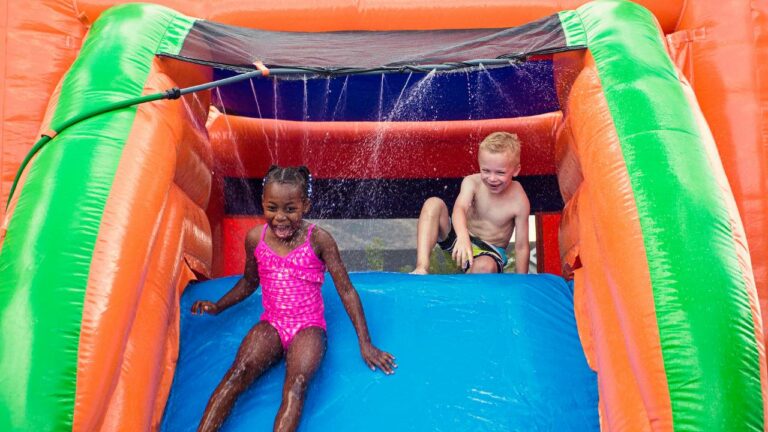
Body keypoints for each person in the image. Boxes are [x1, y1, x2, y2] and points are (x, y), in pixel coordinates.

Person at [192, 165, 396, 432]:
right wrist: (218, 306)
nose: (280, 218)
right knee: (238, 373)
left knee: (296, 385)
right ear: (263, 204)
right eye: (272, 208)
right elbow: (249, 282)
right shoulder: (256, 238)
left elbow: (346, 290)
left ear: (305, 205)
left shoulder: (319, 240)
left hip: (307, 328)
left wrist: (366, 343)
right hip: (272, 324)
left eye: (290, 209)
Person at [411, 132, 530, 274]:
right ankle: (422, 266)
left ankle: (469, 279)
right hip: (461, 238)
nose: (492, 178)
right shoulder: (472, 182)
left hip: (489, 251)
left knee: (485, 266)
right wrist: (462, 237)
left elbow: (521, 246)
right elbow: (459, 209)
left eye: (500, 173)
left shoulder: (519, 199)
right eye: (485, 170)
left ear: (516, 170)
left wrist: (522, 280)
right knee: (433, 203)